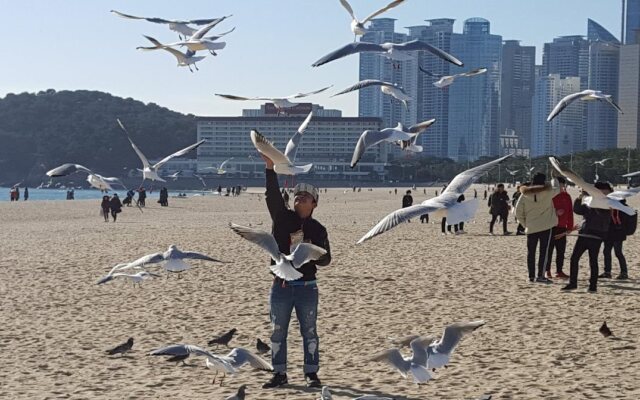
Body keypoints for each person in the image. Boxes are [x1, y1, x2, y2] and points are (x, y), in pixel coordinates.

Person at [261, 153, 331, 389]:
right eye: (297, 196)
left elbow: (326, 260)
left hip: (307, 289)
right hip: (280, 287)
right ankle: (279, 374)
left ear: (314, 203)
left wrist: (312, 252)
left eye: (305, 197)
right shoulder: (282, 218)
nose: (300, 199)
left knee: (309, 332)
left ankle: (311, 374)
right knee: (277, 332)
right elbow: (272, 196)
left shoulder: (318, 229)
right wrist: (270, 168)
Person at [562, 182, 612, 292]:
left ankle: (593, 286)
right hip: (584, 233)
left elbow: (602, 215)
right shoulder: (590, 200)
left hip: (596, 235)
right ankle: (573, 283)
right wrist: (580, 198)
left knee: (593, 260)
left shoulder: (608, 201)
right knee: (574, 258)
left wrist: (592, 201)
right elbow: (578, 210)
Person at [515, 173, 559, 283]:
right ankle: (540, 276)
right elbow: (557, 188)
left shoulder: (524, 195)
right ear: (543, 182)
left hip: (531, 227)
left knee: (531, 253)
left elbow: (518, 212)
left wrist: (525, 224)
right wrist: (552, 179)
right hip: (546, 226)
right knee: (544, 252)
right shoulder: (548, 192)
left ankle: (531, 276)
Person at [545, 177, 573, 279]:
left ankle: (559, 271)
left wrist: (569, 227)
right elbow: (544, 211)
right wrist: (555, 213)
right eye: (557, 186)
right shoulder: (548, 196)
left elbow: (570, 212)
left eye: (561, 185)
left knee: (561, 251)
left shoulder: (567, 196)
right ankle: (547, 270)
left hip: (562, 227)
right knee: (549, 250)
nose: (559, 188)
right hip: (550, 226)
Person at [600, 198, 631, 280]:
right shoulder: (610, 207)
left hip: (618, 234)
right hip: (609, 234)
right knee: (606, 252)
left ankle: (624, 272)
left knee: (618, 253)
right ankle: (607, 272)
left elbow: (625, 221)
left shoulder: (623, 208)